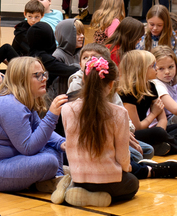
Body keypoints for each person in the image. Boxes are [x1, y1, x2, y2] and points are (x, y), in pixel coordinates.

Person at [0, 57, 68, 192]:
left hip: (7, 161)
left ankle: (55, 179)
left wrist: (62, 143)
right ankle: (55, 180)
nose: (44, 79)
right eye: (37, 75)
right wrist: (52, 116)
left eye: (44, 74)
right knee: (49, 161)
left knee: (55, 146)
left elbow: (38, 128)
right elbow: (28, 148)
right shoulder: (11, 105)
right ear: (21, 80)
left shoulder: (22, 100)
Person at [56, 56, 140, 207]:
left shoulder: (67, 109)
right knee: (132, 184)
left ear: (84, 81)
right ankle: (94, 197)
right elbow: (122, 156)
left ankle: (71, 185)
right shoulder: (118, 113)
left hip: (79, 176)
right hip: (106, 180)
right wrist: (127, 168)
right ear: (111, 84)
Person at [117, 50, 177, 156]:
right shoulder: (127, 92)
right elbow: (136, 128)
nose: (156, 69)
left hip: (149, 130)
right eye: (152, 66)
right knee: (158, 132)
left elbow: (162, 118)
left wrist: (160, 135)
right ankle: (167, 146)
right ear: (141, 70)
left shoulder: (151, 86)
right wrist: (153, 114)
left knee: (167, 129)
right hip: (132, 134)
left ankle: (161, 146)